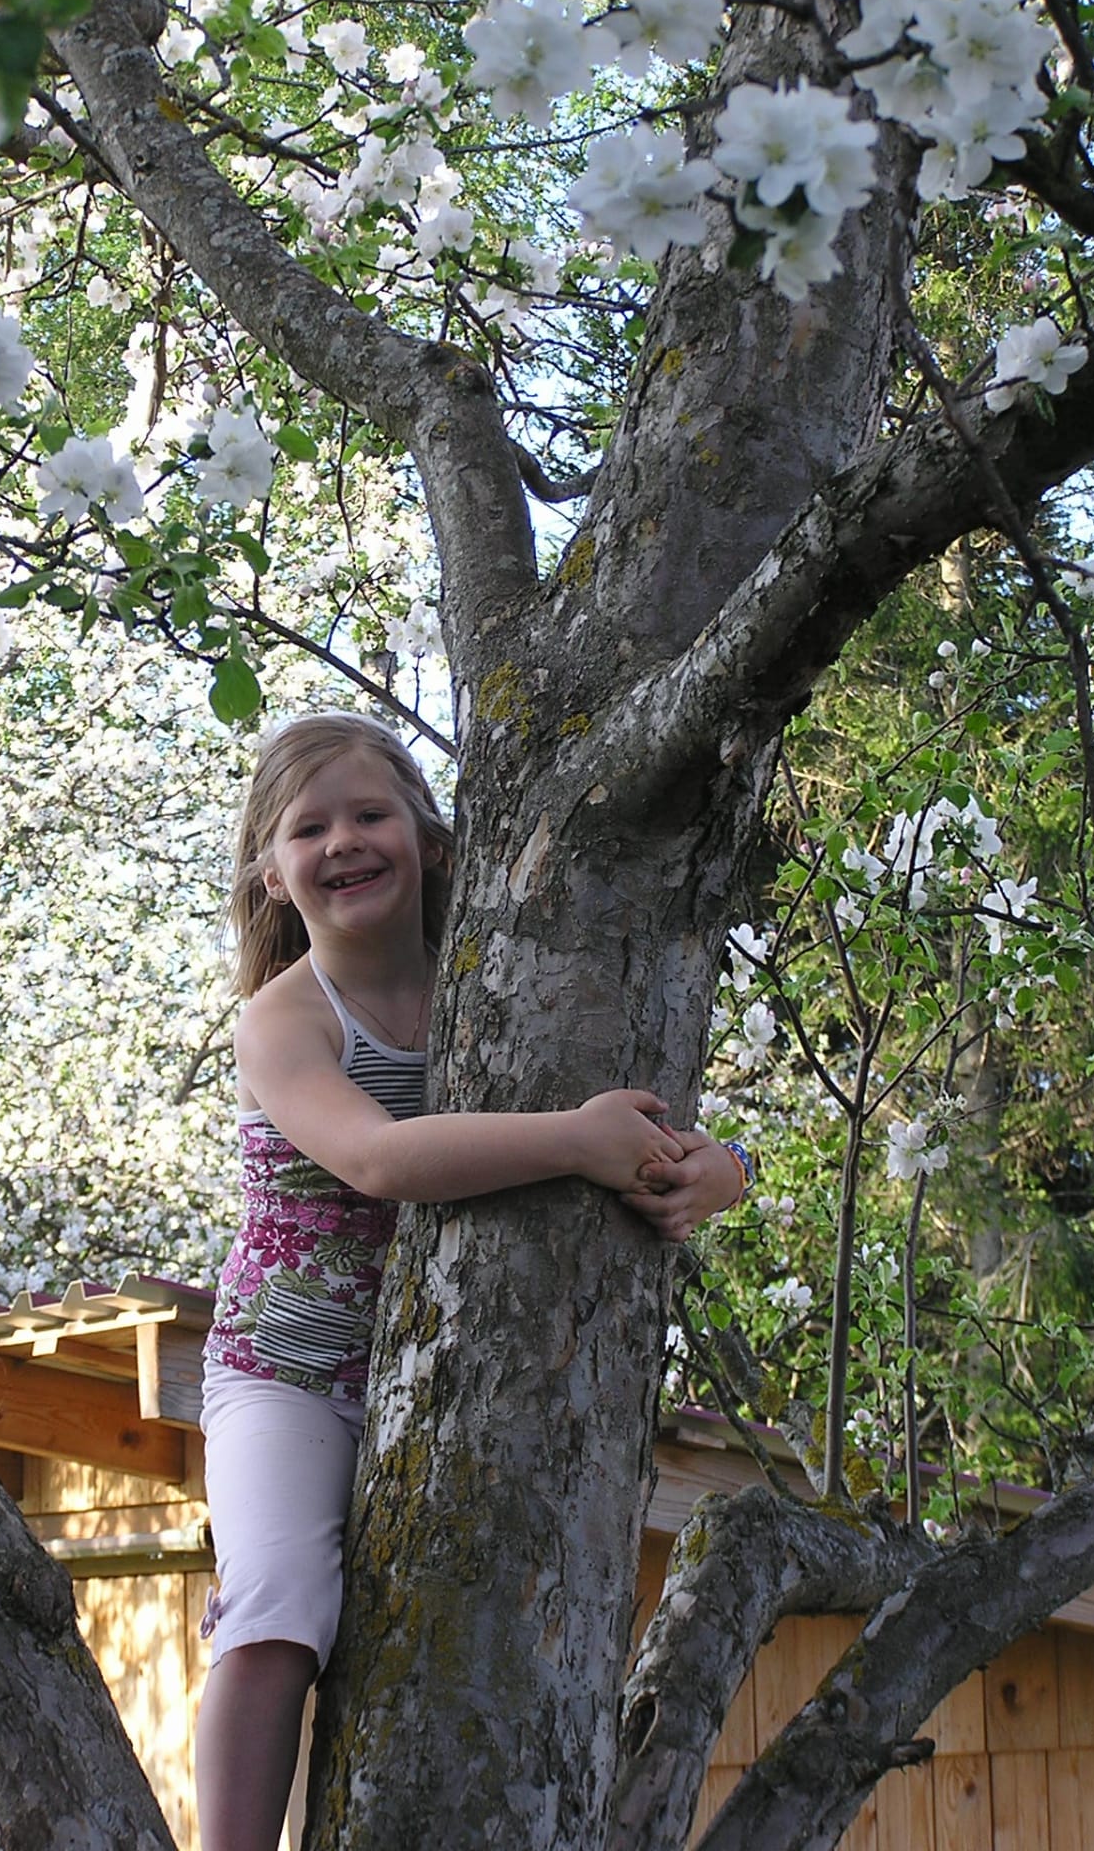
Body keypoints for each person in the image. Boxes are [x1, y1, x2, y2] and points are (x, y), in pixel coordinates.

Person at [195, 711, 751, 1851]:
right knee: (280, 1605)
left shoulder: (502, 980)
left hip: (447, 1370)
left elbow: (659, 1125)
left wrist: (724, 1169)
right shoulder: (283, 1021)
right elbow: (378, 1159)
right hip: (290, 1375)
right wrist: (577, 1142)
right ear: (272, 875)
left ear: (432, 840)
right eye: (309, 829)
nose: (344, 841)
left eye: (370, 814)